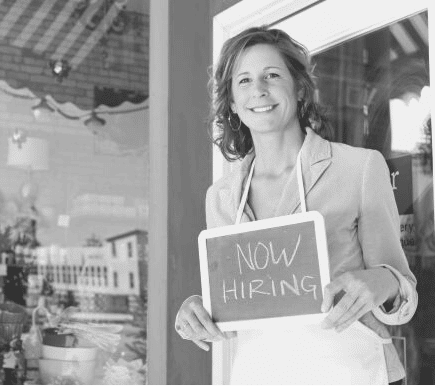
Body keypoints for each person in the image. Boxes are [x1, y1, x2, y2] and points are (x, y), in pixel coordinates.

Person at [175, 26, 418, 384]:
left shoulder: (359, 168)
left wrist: (383, 281)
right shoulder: (221, 198)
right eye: (243, 81)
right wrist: (196, 310)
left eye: (271, 75)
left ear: (300, 88)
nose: (258, 89)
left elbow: (402, 292)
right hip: (257, 373)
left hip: (351, 372)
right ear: (231, 102)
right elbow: (236, 299)